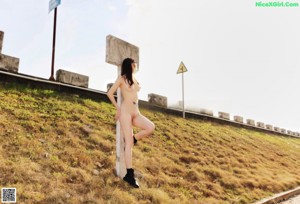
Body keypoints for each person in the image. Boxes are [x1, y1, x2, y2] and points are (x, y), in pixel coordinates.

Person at [107, 57, 155, 188]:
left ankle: (134, 139)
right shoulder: (122, 78)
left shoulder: (134, 78)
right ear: (130, 64)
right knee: (128, 145)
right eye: (135, 63)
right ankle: (129, 175)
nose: (136, 64)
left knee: (150, 127)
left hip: (136, 112)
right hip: (125, 112)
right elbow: (110, 93)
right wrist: (118, 108)